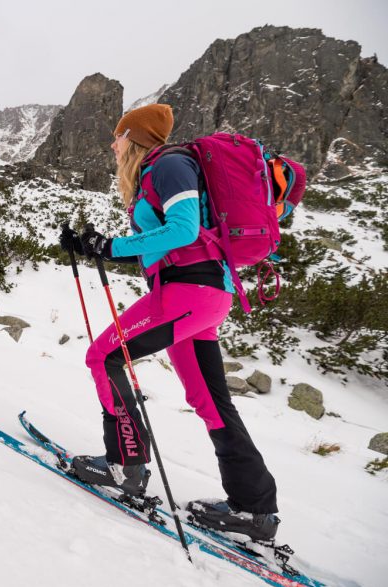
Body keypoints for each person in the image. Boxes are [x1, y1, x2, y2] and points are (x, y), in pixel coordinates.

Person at [59, 104, 280, 541]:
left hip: (187, 294)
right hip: (197, 295)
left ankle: (126, 467)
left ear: (136, 137)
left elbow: (183, 231)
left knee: (103, 357)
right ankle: (254, 512)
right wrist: (93, 246)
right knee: (210, 400)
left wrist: (111, 245)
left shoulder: (171, 165)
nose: (112, 142)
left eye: (118, 135)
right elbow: (163, 243)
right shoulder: (157, 174)